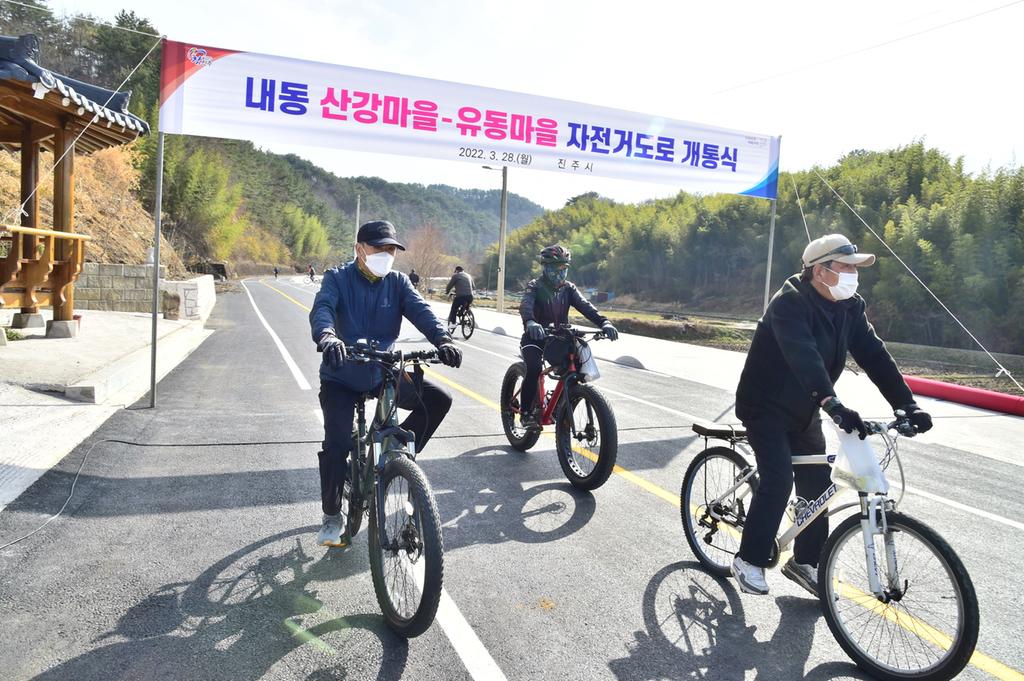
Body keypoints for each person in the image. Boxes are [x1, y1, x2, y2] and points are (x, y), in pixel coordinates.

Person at [730, 233, 933, 596]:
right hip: (765, 407)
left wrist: (907, 404)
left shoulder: (849, 307)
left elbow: (875, 356)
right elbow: (803, 357)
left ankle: (806, 562)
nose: (854, 274)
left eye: (856, 268)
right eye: (846, 267)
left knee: (818, 485)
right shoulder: (789, 303)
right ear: (820, 270)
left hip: (804, 408)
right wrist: (832, 403)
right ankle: (748, 560)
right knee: (779, 479)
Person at [309, 220, 464, 547]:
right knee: (337, 443)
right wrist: (327, 336)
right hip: (341, 374)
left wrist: (443, 340)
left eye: (391, 249)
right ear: (359, 249)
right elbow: (323, 309)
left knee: (439, 399)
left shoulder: (397, 282)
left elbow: (422, 312)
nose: (386, 254)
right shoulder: (337, 278)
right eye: (379, 248)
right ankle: (332, 516)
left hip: (383, 371)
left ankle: (395, 456)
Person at [518, 245, 619, 429]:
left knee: (577, 370)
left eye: (564, 268)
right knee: (534, 368)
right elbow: (526, 305)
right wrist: (531, 322)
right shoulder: (535, 286)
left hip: (558, 339)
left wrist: (604, 322)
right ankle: (525, 413)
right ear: (545, 268)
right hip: (535, 338)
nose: (560, 273)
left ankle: (561, 408)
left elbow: (586, 306)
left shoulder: (569, 289)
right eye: (555, 268)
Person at [445, 265, 474, 333]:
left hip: (461, 296)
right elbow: (473, 287)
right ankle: (467, 316)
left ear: (456, 271)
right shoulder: (469, 276)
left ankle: (453, 323)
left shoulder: (456, 276)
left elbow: (450, 285)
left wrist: (447, 292)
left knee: (454, 308)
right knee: (466, 307)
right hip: (470, 296)